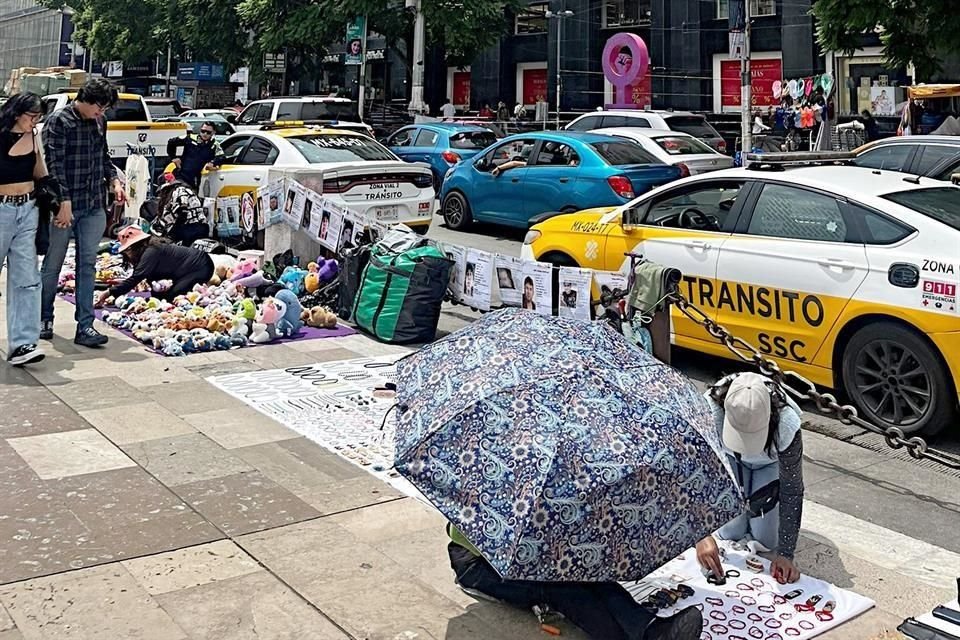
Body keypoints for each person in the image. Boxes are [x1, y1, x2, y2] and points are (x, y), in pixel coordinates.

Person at [447, 525, 703, 640]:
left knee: (589, 576)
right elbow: (456, 532)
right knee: (558, 587)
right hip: (477, 565)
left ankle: (652, 628)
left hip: (525, 555)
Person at [695, 372, 804, 585]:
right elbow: (696, 474)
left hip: (768, 463)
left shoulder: (787, 424)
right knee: (729, 533)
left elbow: (792, 490)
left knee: (766, 540)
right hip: (729, 458)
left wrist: (786, 554)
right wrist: (701, 535)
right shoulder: (708, 412)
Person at [40, 78, 126, 347]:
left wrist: (113, 180)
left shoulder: (99, 122)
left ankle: (85, 325)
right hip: (63, 206)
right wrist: (63, 201)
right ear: (86, 100)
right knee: (53, 264)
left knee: (87, 265)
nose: (102, 113)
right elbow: (54, 166)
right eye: (100, 107)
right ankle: (44, 318)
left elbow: (103, 156)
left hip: (93, 203)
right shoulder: (59, 122)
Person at [0, 93, 49, 366]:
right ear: (17, 113)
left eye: (39, 117)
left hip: (28, 209)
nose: (35, 121)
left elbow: (41, 172)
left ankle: (23, 343)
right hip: (2, 208)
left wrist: (54, 198)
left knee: (27, 278)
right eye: (32, 116)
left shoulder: (35, 137)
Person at [95, 226, 214, 305]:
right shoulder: (147, 250)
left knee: (170, 297)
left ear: (135, 246)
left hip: (200, 266)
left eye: (127, 250)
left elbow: (137, 277)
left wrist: (108, 293)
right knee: (158, 294)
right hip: (184, 269)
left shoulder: (151, 251)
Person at [165, 121, 225, 189]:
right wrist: (174, 157)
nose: (205, 134)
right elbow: (171, 142)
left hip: (200, 179)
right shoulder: (190, 138)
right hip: (183, 175)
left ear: (213, 132)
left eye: (208, 132)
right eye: (203, 131)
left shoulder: (214, 145)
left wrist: (213, 163)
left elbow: (221, 157)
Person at [150, 177, 208, 244]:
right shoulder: (184, 191)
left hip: (192, 228)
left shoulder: (179, 191)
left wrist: (172, 231)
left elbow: (183, 212)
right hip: (198, 227)